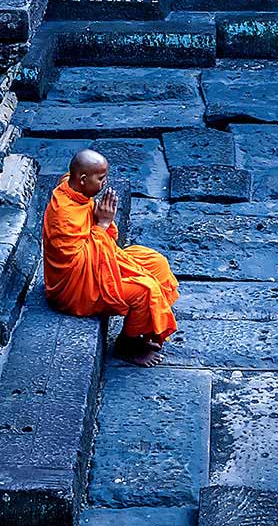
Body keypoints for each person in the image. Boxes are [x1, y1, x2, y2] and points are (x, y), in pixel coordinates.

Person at [42, 150, 179, 367]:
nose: (105, 184)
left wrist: (99, 220)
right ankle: (127, 345)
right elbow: (79, 264)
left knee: (156, 263)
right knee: (144, 290)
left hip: (97, 263)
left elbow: (95, 247)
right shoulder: (64, 216)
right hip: (75, 288)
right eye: (101, 178)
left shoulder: (72, 187)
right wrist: (103, 223)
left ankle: (146, 327)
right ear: (83, 179)